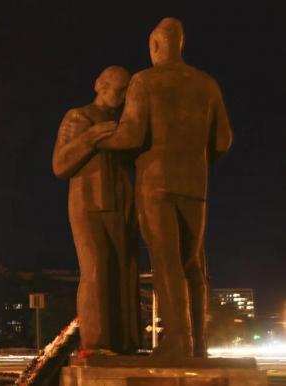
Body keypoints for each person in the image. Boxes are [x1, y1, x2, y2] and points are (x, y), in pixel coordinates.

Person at [97, 18, 233, 357]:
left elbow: (131, 135)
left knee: (166, 261)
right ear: (181, 44)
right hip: (195, 184)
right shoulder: (207, 84)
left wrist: (95, 140)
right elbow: (224, 140)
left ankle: (178, 341)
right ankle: (198, 344)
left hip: (156, 183)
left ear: (156, 45)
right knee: (193, 264)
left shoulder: (145, 81)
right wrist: (195, 157)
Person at [52, 66, 139, 354]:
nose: (123, 95)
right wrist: (89, 138)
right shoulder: (79, 117)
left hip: (120, 206)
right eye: (119, 88)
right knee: (97, 269)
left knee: (124, 271)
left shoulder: (125, 123)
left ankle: (125, 341)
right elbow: (60, 165)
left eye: (127, 89)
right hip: (89, 204)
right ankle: (97, 342)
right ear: (100, 85)